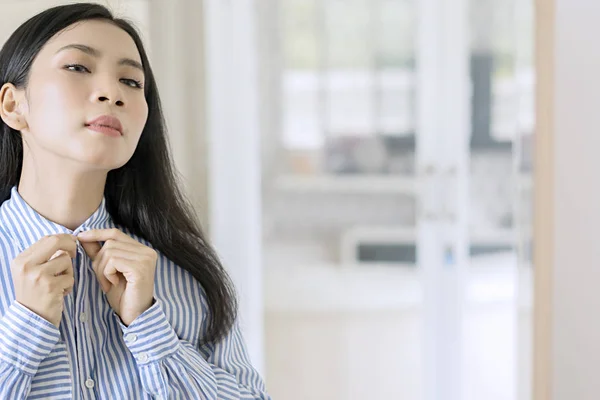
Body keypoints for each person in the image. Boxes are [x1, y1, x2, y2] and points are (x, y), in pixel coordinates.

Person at [0, 3, 270, 399]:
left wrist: (149, 327)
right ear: (12, 105)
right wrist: (25, 329)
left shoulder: (182, 274)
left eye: (130, 81)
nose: (112, 93)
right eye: (77, 67)